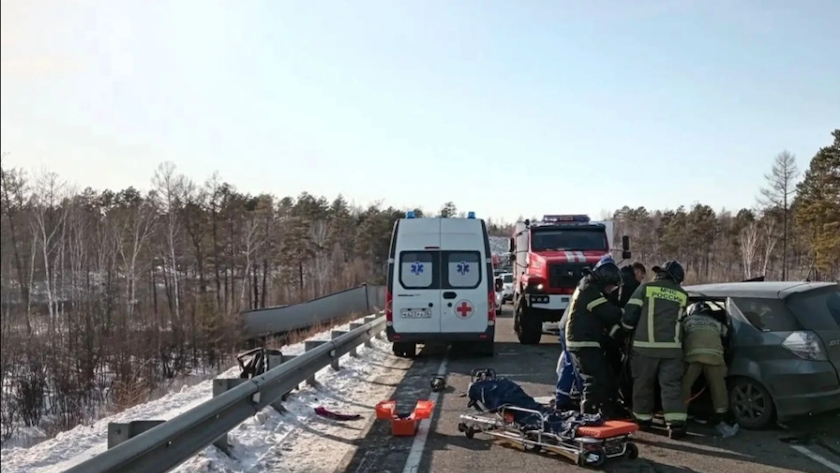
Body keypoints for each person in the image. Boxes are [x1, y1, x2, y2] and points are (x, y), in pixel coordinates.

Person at [619, 260, 689, 438]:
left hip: (645, 348)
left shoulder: (645, 289)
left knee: (643, 384)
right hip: (672, 350)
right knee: (672, 387)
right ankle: (676, 425)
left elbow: (630, 315)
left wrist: (622, 332)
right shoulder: (682, 294)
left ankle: (644, 421)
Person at [564, 255, 625, 418]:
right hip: (583, 342)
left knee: (602, 377)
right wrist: (624, 313)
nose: (611, 290)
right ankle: (588, 416)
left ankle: (603, 412)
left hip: (584, 340)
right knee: (594, 380)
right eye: (611, 286)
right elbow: (609, 313)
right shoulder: (590, 290)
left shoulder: (588, 286)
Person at [681, 301, 740, 438]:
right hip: (715, 358)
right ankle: (721, 414)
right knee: (718, 387)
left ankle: (681, 413)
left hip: (693, 357)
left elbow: (679, 339)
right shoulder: (715, 322)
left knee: (685, 385)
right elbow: (728, 336)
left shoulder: (687, 321)